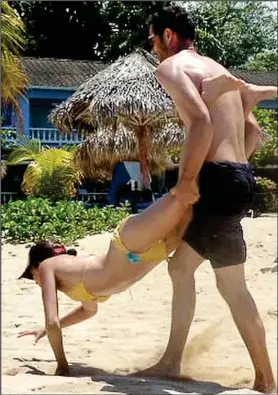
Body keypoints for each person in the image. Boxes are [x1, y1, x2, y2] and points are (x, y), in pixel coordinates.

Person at [17, 77, 275, 379]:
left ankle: (207, 100)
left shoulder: (48, 267)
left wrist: (61, 364)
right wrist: (48, 326)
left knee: (184, 192)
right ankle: (247, 113)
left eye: (31, 275)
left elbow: (52, 323)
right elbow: (87, 311)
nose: (35, 280)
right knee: (213, 189)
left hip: (129, 242)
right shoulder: (75, 280)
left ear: (37, 265)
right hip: (152, 252)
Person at [143, 5, 277, 394]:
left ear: (167, 35)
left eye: (153, 38)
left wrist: (187, 182)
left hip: (218, 179)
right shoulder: (221, 72)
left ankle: (262, 379)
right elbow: (251, 135)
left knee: (219, 282)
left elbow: (200, 122)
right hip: (238, 176)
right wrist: (231, 173)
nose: (153, 47)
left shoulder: (171, 68)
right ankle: (256, 376)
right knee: (193, 271)